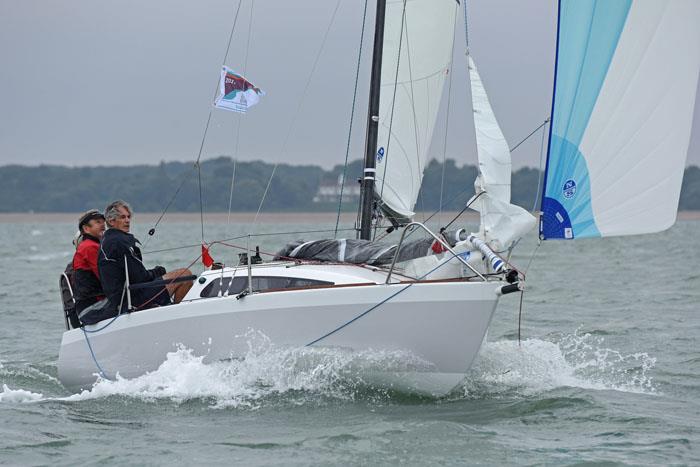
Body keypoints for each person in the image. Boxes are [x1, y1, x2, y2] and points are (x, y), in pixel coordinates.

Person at [98, 200, 193, 313]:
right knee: (184, 275)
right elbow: (140, 277)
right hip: (131, 299)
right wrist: (157, 272)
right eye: (122, 217)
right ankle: (178, 317)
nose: (127, 220)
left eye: (128, 217)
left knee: (179, 275)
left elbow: (135, 274)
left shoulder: (108, 240)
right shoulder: (118, 242)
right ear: (111, 221)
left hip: (122, 298)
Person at [72, 209, 106, 314]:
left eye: (103, 222)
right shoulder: (89, 247)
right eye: (97, 222)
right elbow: (106, 278)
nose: (103, 224)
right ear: (86, 229)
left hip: (90, 304)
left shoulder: (90, 245)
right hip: (92, 306)